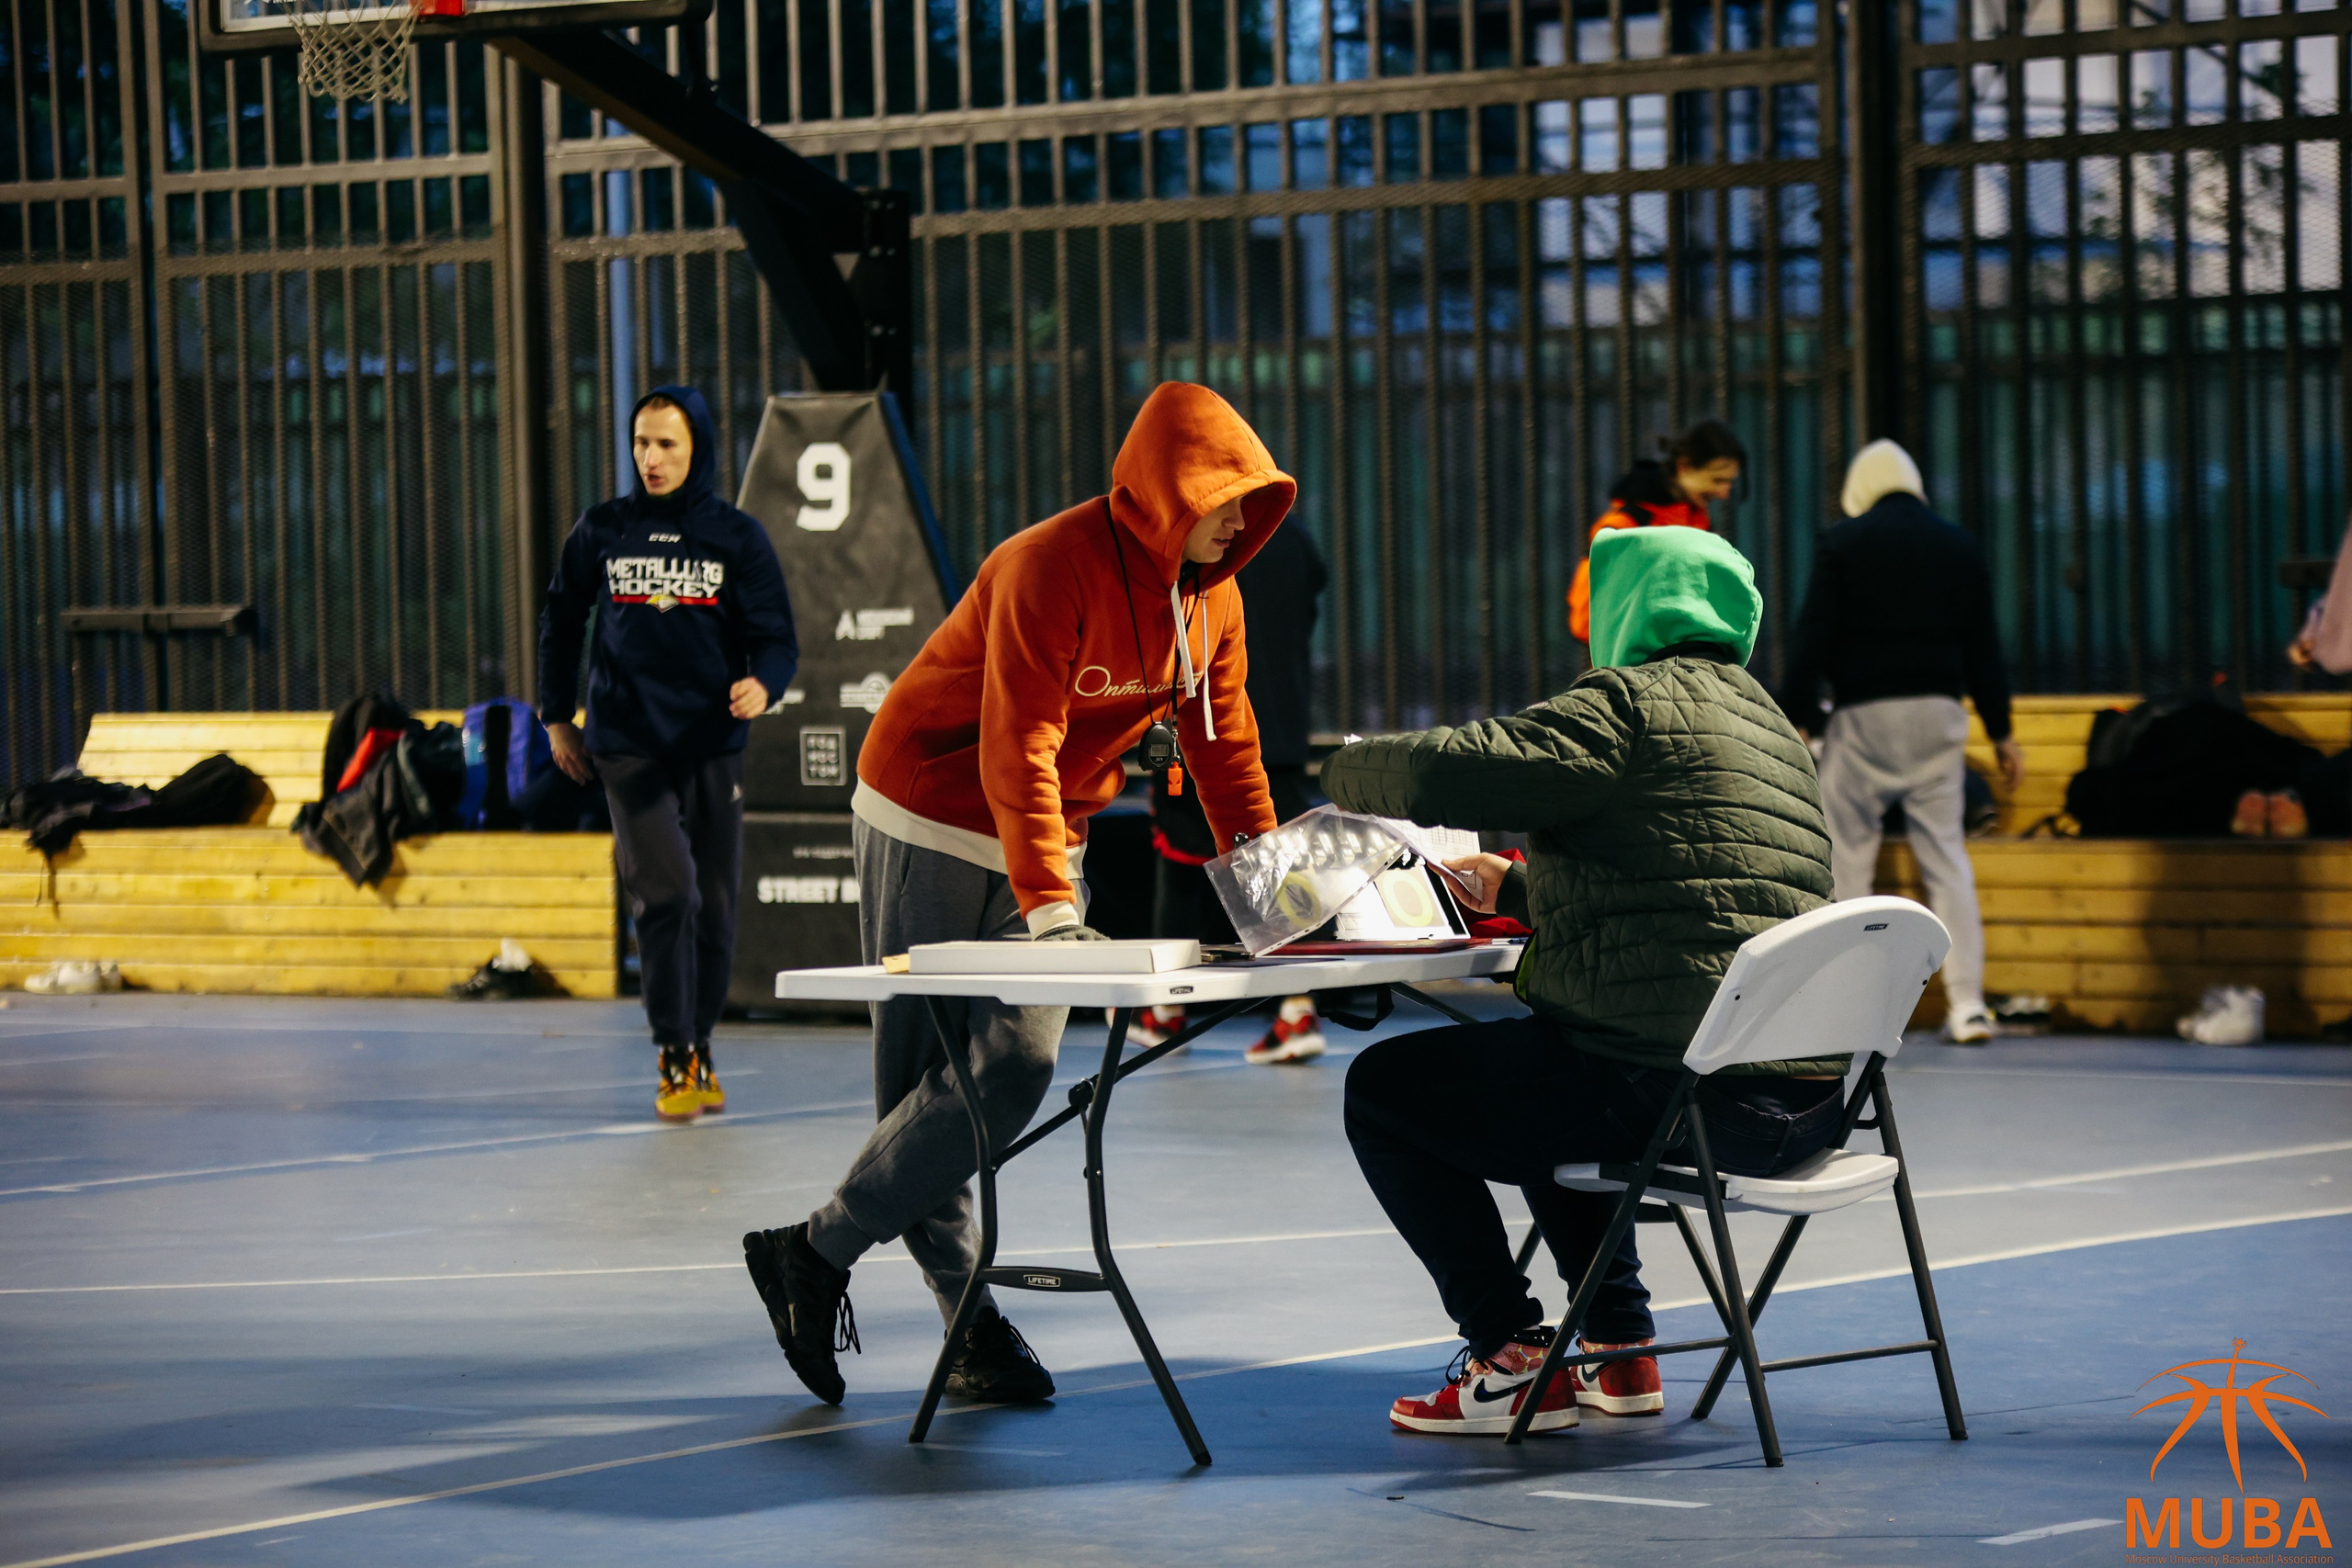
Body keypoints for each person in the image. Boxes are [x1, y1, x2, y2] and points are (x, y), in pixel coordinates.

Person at [742, 382, 1295, 1409]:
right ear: (1174, 489)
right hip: (930, 805)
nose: (1242, 517)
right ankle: (968, 1325)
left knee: (1016, 1064)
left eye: (1255, 499)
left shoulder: (1212, 598)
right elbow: (1018, 745)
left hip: (1049, 827)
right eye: (1228, 495)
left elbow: (1227, 753)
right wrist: (1053, 908)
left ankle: (811, 1252)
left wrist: (1275, 900)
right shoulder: (1050, 564)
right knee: (924, 1076)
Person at [1319, 525, 1842, 1436]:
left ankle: (1508, 1353)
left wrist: (1341, 765)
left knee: (1386, 1091)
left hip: (1685, 1098)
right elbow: (1700, 885)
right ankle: (1618, 1347)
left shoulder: (1630, 705)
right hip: (1804, 1104)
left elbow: (1452, 767)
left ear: (1625, 607)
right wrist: (1520, 886)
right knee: (1554, 1062)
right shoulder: (1770, 726)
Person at [537, 385, 798, 1121]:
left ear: (698, 449)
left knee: (715, 907)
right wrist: (558, 718)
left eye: (667, 445)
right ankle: (672, 1048)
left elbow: (778, 638)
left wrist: (764, 685)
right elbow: (560, 617)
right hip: (625, 742)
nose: (650, 459)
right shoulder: (603, 529)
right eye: (641, 444)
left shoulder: (736, 536)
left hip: (713, 742)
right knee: (669, 891)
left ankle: (701, 1039)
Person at [1778, 439, 2021, 1045]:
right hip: (1939, 715)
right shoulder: (1959, 544)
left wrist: (1798, 715)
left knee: (1849, 858)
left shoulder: (1843, 542)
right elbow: (1984, 645)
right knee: (1947, 858)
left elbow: (1814, 634)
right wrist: (2003, 731)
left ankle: (1850, 1011)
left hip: (1865, 716)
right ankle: (1967, 1005)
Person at [1136, 514, 1331, 1064]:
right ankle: (1296, 1009)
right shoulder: (1293, 535)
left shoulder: (1188, 538)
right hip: (1280, 728)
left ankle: (1165, 1012)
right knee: (1275, 864)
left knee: (1180, 861)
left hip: (1209, 726)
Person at [1566, 419, 1746, 645]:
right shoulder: (1624, 527)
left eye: (1729, 483)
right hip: (1637, 671)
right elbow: (1585, 621)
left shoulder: (1698, 522)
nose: (1724, 493)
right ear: (1684, 467)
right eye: (1717, 480)